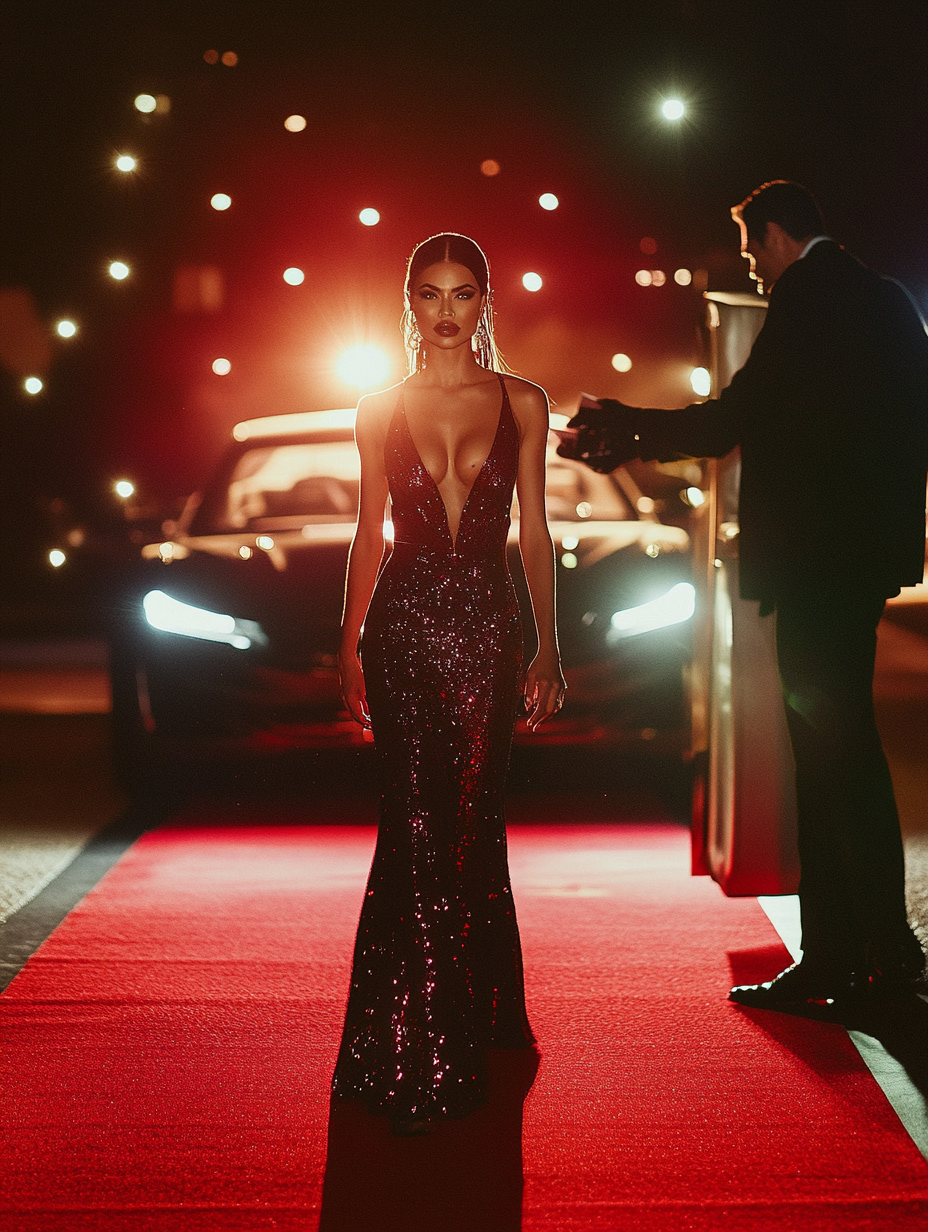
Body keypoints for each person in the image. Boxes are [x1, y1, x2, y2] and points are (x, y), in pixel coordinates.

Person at [560, 181, 928, 1011]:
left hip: (812, 561)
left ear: (774, 234)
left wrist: (621, 428)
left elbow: (735, 421)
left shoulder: (804, 300)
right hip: (865, 560)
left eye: (752, 249)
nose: (752, 269)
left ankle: (857, 958)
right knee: (845, 750)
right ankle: (867, 952)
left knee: (830, 756)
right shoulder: (888, 300)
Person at [334, 233, 565, 1133]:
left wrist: (549, 646)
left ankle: (483, 1010)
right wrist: (347, 645)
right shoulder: (377, 407)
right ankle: (419, 1048)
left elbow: (536, 534)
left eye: (461, 294)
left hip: (486, 629)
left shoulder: (523, 401)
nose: (444, 312)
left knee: (471, 819)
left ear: (484, 305)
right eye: (429, 294)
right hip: (401, 631)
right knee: (418, 825)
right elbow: (366, 536)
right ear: (408, 302)